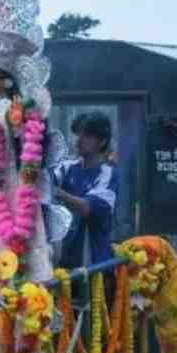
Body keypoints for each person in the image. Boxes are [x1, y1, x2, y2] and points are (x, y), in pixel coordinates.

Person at [54, 111, 118, 268]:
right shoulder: (66, 167)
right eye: (78, 134)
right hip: (65, 262)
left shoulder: (108, 174)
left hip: (95, 266)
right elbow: (45, 180)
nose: (79, 140)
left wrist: (56, 192)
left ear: (102, 141)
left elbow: (86, 208)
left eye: (87, 136)